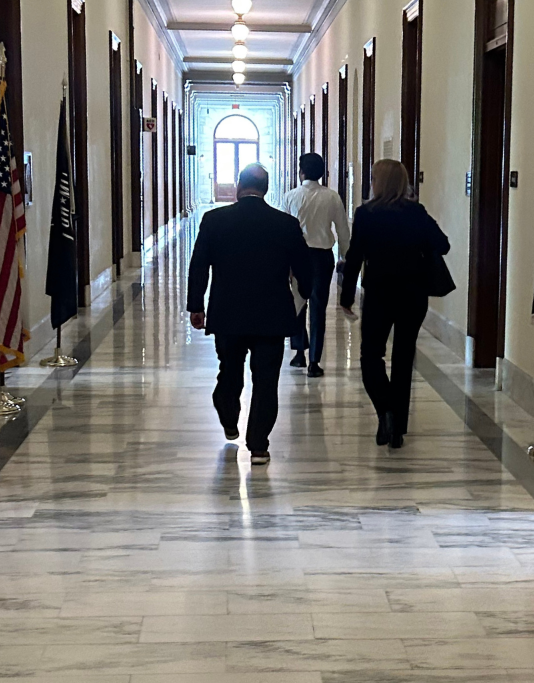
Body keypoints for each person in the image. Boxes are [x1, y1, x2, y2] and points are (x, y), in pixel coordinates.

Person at [187, 164, 311, 465]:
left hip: (228, 314)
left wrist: (196, 306)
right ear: (266, 189)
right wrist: (300, 299)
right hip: (271, 316)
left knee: (229, 371)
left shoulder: (214, 220)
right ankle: (258, 446)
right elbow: (305, 273)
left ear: (238, 187)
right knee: (266, 380)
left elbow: (199, 264)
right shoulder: (286, 224)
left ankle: (230, 419)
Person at [340, 160, 450, 449]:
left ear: (379, 182)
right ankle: (398, 428)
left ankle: (385, 410)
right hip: (413, 295)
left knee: (370, 356)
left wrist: (346, 296)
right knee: (403, 357)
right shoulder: (417, 212)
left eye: (373, 178)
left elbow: (354, 257)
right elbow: (443, 244)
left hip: (379, 293)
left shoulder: (366, 214)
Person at [285, 153, 351, 378]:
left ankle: (299, 353)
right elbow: (343, 230)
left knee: (297, 304)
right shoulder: (332, 197)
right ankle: (314, 360)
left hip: (297, 256)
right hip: (322, 257)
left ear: (301, 172)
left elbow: (282, 232)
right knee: (318, 307)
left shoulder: (290, 197)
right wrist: (345, 257)